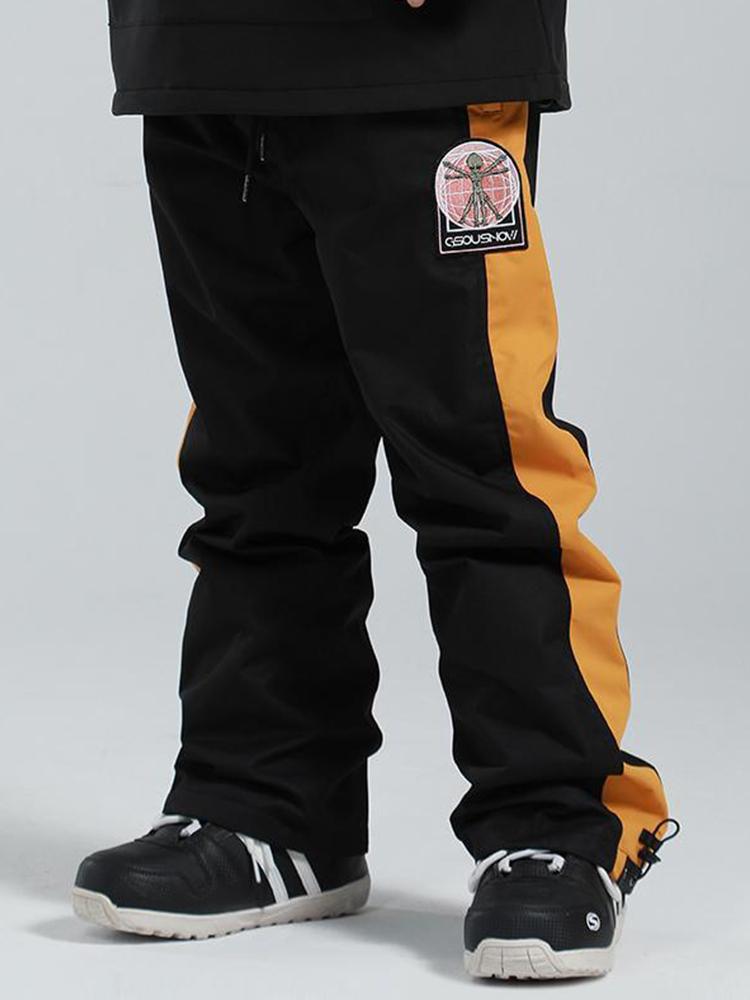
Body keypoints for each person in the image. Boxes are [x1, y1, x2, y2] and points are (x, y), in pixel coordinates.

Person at [72, 0, 677, 980]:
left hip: (420, 52)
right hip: (197, 48)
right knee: (257, 462)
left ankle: (558, 824)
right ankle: (272, 810)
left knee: (483, 461)